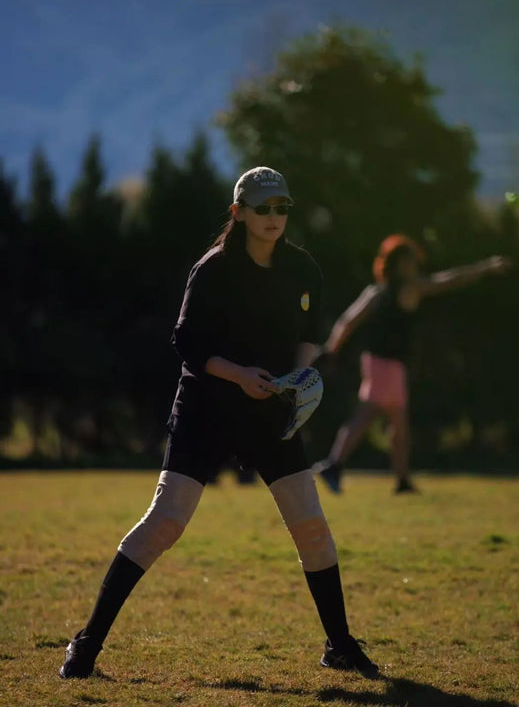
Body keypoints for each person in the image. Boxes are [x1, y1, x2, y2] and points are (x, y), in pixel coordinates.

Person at [59, 167, 380, 681]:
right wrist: (238, 376)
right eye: (262, 208)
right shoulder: (211, 270)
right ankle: (86, 645)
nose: (274, 218)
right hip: (207, 408)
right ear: (239, 213)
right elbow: (186, 343)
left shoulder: (302, 269)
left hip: (271, 411)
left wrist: (298, 376)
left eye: (282, 209)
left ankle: (340, 645)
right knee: (165, 522)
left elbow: (309, 335)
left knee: (312, 526)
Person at [314, 235, 510, 494]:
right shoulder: (410, 289)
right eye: (411, 260)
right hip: (389, 365)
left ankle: (398, 479)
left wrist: (330, 350)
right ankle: (335, 465)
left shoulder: (376, 291)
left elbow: (346, 321)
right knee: (370, 416)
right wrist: (486, 268)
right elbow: (449, 280)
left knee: (395, 423)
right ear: (401, 264)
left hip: (375, 362)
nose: (416, 265)